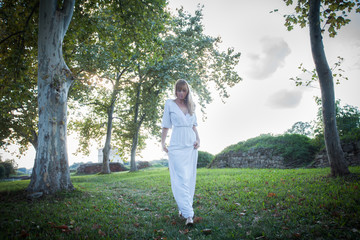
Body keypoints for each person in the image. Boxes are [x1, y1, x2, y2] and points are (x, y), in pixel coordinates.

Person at [161, 79, 200, 226]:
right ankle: (189, 215)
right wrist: (162, 143)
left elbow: (194, 126)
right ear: (175, 90)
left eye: (184, 90)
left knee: (189, 179)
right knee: (180, 178)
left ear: (187, 91)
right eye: (179, 90)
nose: (181, 93)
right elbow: (166, 125)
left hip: (190, 146)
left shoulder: (191, 105)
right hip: (176, 145)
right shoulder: (169, 104)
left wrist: (198, 140)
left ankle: (183, 209)